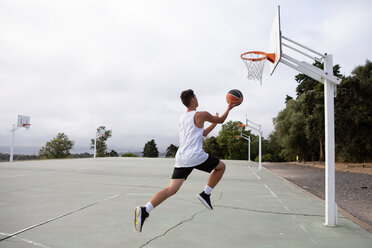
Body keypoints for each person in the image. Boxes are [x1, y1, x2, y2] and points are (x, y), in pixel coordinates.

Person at [134, 89, 236, 232]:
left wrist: (213, 123)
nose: (197, 98)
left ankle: (145, 210)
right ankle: (205, 194)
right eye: (196, 96)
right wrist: (229, 107)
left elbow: (204, 133)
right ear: (193, 99)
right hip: (194, 156)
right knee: (221, 167)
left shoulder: (183, 118)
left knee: (171, 189)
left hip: (182, 157)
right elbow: (221, 120)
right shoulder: (201, 114)